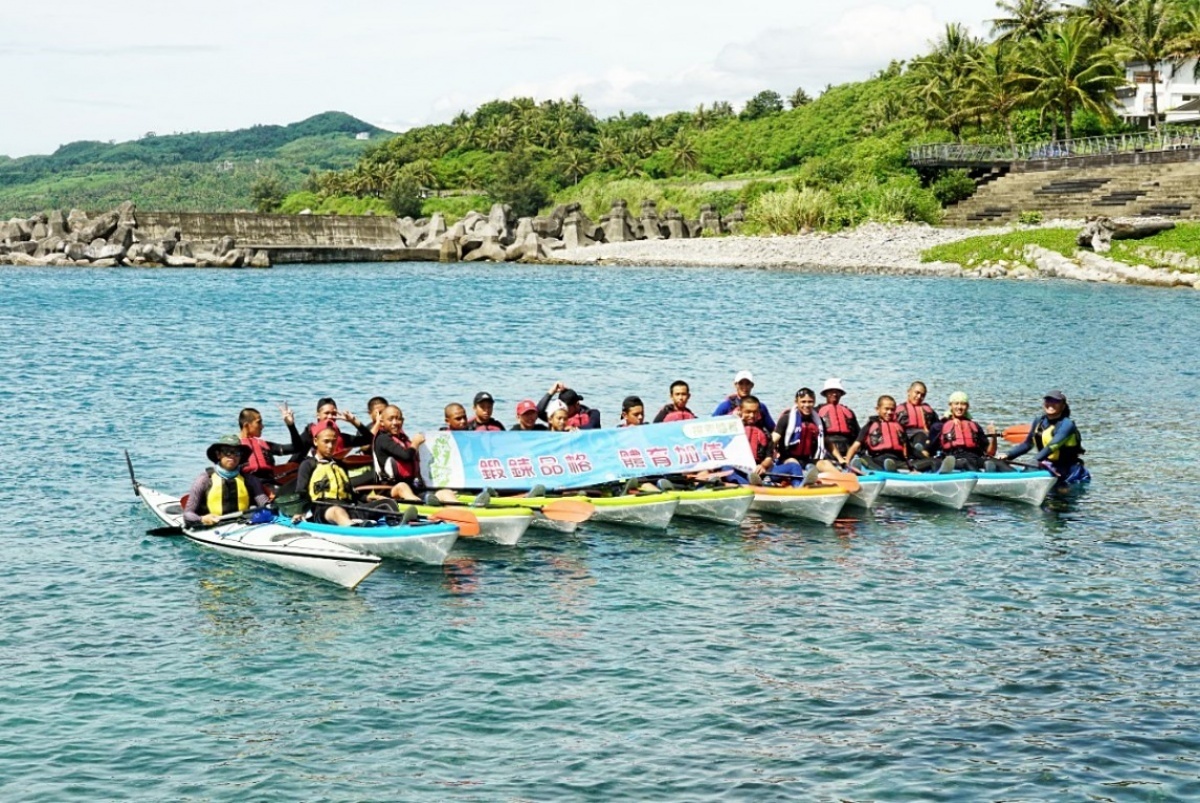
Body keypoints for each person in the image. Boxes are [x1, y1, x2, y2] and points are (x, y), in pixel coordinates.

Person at [370, 405, 459, 503]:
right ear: (382, 422)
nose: (395, 423)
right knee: (402, 487)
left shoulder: (403, 439)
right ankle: (423, 506)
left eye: (398, 419)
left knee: (446, 492)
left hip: (412, 487)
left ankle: (463, 511)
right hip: (389, 489)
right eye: (390, 419)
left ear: (403, 421)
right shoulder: (383, 439)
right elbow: (406, 456)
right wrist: (415, 443)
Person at [1000, 390, 1089, 483]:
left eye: (1056, 401)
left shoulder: (1067, 424)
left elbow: (1052, 447)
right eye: (1048, 400)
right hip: (1048, 466)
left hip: (1070, 474)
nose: (1051, 404)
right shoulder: (1039, 421)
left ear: (1063, 406)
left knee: (1062, 493)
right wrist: (1007, 455)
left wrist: (1033, 461)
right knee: (994, 463)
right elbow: (1027, 444)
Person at [183, 435, 270, 527]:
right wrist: (202, 519)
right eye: (228, 452)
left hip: (244, 524)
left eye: (237, 453)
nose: (232, 456)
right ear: (218, 454)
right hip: (213, 526)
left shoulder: (251, 480)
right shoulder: (204, 480)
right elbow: (188, 514)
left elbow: (264, 504)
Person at [294, 425, 356, 525]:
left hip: (347, 506)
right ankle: (353, 530)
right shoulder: (308, 465)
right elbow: (301, 491)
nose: (330, 446)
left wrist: (368, 498)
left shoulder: (341, 465)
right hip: (322, 509)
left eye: (333, 441)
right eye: (326, 441)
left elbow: (351, 493)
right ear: (315, 441)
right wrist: (299, 512)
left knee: (386, 503)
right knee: (337, 511)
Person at [768, 388, 827, 485]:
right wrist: (766, 459)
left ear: (814, 402)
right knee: (794, 463)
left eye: (810, 402)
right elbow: (773, 440)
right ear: (797, 402)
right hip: (787, 459)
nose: (807, 405)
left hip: (808, 459)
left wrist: (841, 459)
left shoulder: (818, 422)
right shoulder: (786, 419)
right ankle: (799, 486)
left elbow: (826, 442)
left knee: (824, 464)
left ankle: (845, 479)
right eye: (803, 402)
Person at [929, 391, 995, 472]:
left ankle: (1005, 477)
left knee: (997, 463)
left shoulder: (974, 426)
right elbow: (931, 450)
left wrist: (993, 437)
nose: (959, 407)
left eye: (963, 404)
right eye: (956, 403)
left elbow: (990, 453)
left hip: (974, 458)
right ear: (950, 405)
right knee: (966, 462)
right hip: (953, 459)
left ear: (967, 406)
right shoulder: (940, 426)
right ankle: (983, 478)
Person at [238, 405, 303, 487]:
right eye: (259, 422)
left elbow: (297, 447)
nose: (262, 426)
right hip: (247, 488)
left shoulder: (265, 445)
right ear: (247, 426)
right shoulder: (235, 448)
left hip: (269, 485)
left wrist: (291, 425)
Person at [291, 397, 373, 461]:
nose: (330, 417)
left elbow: (369, 439)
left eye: (333, 413)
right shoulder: (309, 435)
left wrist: (353, 421)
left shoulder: (340, 437)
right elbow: (295, 457)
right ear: (318, 415)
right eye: (326, 413)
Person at [843, 395, 909, 471]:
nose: (889, 412)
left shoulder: (898, 426)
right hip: (878, 459)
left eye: (892, 410)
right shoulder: (870, 425)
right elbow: (855, 446)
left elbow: (906, 447)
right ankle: (859, 468)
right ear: (878, 409)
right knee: (864, 458)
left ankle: (891, 468)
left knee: (922, 462)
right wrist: (846, 463)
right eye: (886, 409)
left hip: (897, 459)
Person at [817, 378, 860, 465]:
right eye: (831, 391)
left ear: (841, 394)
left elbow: (857, 435)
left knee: (856, 457)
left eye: (837, 391)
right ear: (825, 394)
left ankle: (854, 465)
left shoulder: (849, 412)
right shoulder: (817, 411)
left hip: (847, 445)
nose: (834, 394)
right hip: (827, 447)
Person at [895, 381, 937, 460]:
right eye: (917, 393)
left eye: (922, 395)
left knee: (922, 435)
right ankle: (920, 454)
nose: (919, 396)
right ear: (909, 392)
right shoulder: (899, 410)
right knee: (920, 435)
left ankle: (921, 453)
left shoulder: (928, 410)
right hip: (907, 440)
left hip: (925, 440)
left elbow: (937, 427)